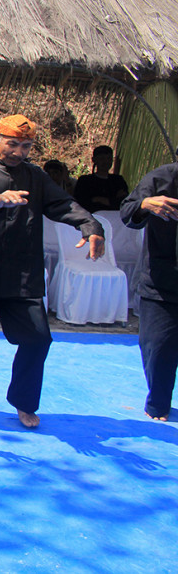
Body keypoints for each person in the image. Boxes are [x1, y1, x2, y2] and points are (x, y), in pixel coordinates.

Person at [0, 114, 104, 432]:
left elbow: (63, 204)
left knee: (38, 338)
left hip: (21, 275)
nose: (18, 151)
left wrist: (90, 224)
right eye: (12, 144)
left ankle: (24, 401)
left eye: (26, 146)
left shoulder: (35, 176)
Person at [121, 164, 178, 421]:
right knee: (158, 346)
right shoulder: (161, 177)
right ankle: (158, 402)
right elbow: (127, 211)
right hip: (162, 280)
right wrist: (145, 204)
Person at [74, 145, 128, 212]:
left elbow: (124, 203)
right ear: (94, 160)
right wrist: (112, 200)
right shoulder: (85, 181)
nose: (106, 162)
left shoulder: (118, 180)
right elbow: (82, 203)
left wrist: (98, 199)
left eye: (109, 158)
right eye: (102, 158)